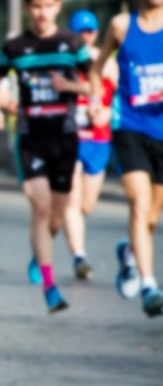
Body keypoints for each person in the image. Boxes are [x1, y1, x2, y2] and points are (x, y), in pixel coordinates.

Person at [0, 0, 92, 313]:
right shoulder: (14, 47)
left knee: (57, 216)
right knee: (42, 208)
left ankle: (39, 253)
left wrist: (69, 85)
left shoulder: (73, 43)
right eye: (36, 6)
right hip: (30, 137)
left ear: (58, 7)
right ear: (28, 9)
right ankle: (50, 287)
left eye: (48, 6)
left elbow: (95, 83)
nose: (42, 12)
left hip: (65, 136)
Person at [90, 0, 163, 317]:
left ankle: (129, 254)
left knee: (151, 218)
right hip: (129, 126)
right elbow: (96, 69)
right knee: (139, 204)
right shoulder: (121, 26)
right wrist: (96, 101)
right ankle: (150, 286)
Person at [45, 10, 118, 285]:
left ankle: (57, 232)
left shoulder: (108, 64)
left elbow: (124, 97)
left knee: (87, 206)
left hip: (98, 139)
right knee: (73, 201)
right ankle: (79, 257)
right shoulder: (63, 61)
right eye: (80, 32)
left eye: (90, 32)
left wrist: (109, 113)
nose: (85, 37)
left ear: (97, 34)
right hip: (70, 136)